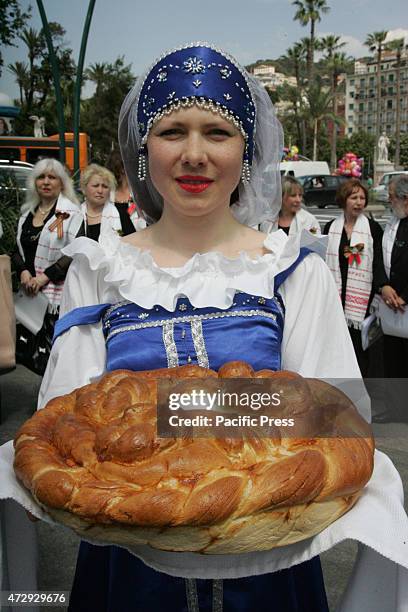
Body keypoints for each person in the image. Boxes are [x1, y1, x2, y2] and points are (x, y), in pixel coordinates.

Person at [3, 43, 407, 612]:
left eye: (217, 133)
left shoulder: (294, 272)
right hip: (126, 567)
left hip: (271, 571)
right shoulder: (101, 272)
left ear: (248, 150)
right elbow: (63, 429)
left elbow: (340, 422)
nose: (194, 154)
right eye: (173, 132)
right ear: (144, 149)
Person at [10, 158, 82, 375]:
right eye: (41, 177)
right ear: (34, 183)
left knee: (56, 354)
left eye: (52, 177)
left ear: (62, 183)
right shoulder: (26, 214)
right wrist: (23, 272)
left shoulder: (71, 213)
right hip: (30, 294)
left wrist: (44, 277)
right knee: (31, 354)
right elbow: (16, 249)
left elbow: (75, 251)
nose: (46, 182)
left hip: (58, 297)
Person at [323, 178, 387, 376]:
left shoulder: (372, 229)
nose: (359, 202)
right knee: (335, 343)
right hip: (335, 294)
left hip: (361, 299)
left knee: (360, 346)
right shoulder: (331, 227)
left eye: (362, 198)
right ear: (344, 200)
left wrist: (382, 286)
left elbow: (378, 263)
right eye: (354, 197)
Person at [380, 174, 408, 385]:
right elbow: (380, 258)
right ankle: (394, 406)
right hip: (390, 302)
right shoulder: (393, 222)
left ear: (405, 198)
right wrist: (384, 287)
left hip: (404, 301)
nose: (389, 201)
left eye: (392, 197)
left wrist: (404, 296)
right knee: (392, 359)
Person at [77, 163, 138, 241]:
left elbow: (130, 241)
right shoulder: (75, 214)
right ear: (84, 188)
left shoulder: (119, 214)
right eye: (95, 186)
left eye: (105, 186)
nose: (100, 191)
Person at [106, 149, 146, 231]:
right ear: (122, 169)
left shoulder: (139, 193)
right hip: (115, 241)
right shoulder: (108, 195)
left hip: (138, 240)